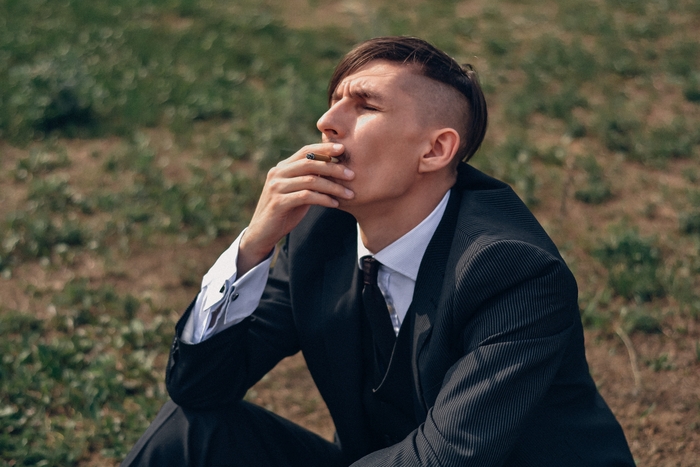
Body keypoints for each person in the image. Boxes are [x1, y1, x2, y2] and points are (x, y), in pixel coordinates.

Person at [122, 36, 635, 466]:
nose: (327, 121)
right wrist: (255, 245)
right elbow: (200, 388)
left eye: (365, 106)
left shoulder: (511, 268)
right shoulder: (320, 231)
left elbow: (447, 458)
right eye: (334, 101)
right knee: (190, 427)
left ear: (435, 150)